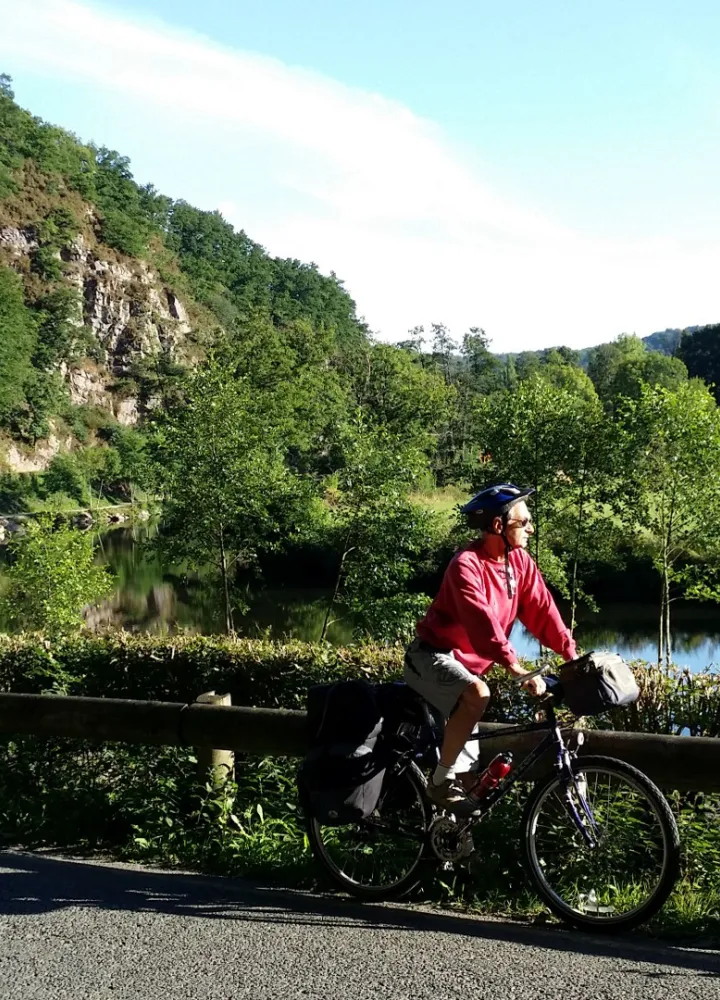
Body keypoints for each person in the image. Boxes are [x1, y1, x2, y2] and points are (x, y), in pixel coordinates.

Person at [404, 483, 577, 816]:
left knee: (470, 792)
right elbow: (482, 623)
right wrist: (515, 667)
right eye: (523, 522)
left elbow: (544, 612)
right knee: (478, 694)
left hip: (468, 671)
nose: (531, 528)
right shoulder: (466, 566)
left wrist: (573, 655)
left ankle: (453, 851)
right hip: (431, 657)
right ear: (498, 526)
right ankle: (436, 782)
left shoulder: (519, 564)